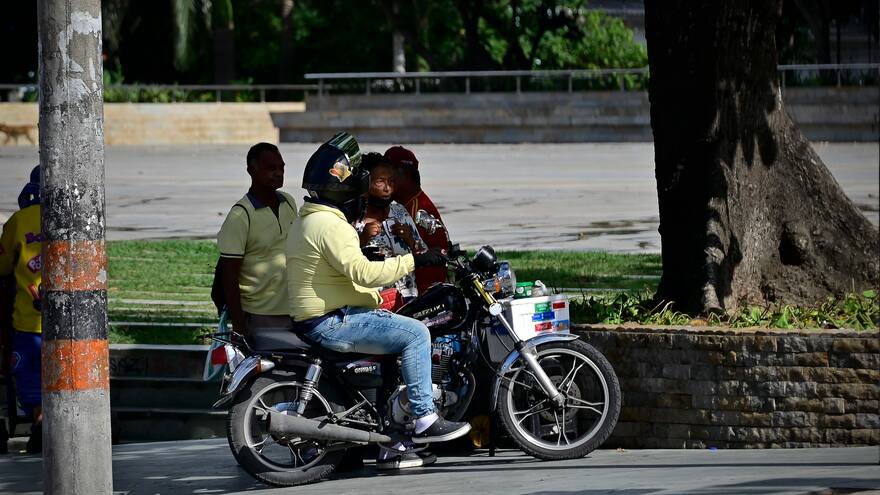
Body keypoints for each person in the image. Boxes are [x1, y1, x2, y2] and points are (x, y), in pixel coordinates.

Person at [286, 133, 470, 470]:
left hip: (327, 313)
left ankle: (391, 442)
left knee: (393, 352)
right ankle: (425, 417)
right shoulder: (331, 225)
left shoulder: (310, 218)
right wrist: (412, 261)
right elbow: (364, 273)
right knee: (416, 333)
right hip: (331, 320)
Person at [217, 143, 298, 339]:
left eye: (281, 167)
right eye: (271, 168)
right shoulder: (240, 216)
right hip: (261, 316)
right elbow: (228, 275)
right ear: (251, 171)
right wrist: (238, 324)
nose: (278, 173)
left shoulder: (288, 202)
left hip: (295, 310)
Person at [0, 165, 44, 454]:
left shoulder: (20, 220)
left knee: (30, 377)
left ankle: (40, 422)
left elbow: (2, 266)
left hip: (29, 323)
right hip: (76, 326)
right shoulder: (80, 217)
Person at [355, 152, 428, 303]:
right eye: (380, 181)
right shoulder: (353, 220)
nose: (387, 188)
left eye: (391, 181)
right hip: (375, 303)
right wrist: (362, 239)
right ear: (364, 182)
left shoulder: (399, 211)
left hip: (408, 299)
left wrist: (410, 240)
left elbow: (423, 253)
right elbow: (346, 262)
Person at [384, 146, 451, 293]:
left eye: (389, 174)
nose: (385, 182)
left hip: (424, 290)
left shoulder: (418, 209)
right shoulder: (408, 203)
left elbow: (433, 256)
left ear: (405, 174)